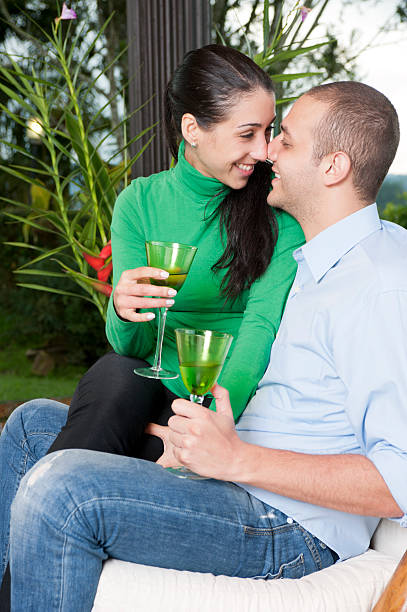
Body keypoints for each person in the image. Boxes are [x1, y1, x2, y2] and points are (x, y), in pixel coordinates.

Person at [6, 80, 407, 611]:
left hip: (286, 525)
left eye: (283, 139)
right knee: (31, 424)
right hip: (236, 477)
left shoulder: (376, 287)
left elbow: (398, 481)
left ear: (333, 167)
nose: (267, 152)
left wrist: (236, 459)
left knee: (63, 489)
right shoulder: (318, 259)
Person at [0, 44, 304, 606]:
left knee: (49, 426)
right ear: (192, 128)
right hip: (140, 394)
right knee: (116, 373)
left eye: (270, 132)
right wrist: (123, 307)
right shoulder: (140, 201)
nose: (264, 152)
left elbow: (259, 330)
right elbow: (135, 346)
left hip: (214, 406)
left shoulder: (278, 218)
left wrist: (201, 425)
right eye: (248, 134)